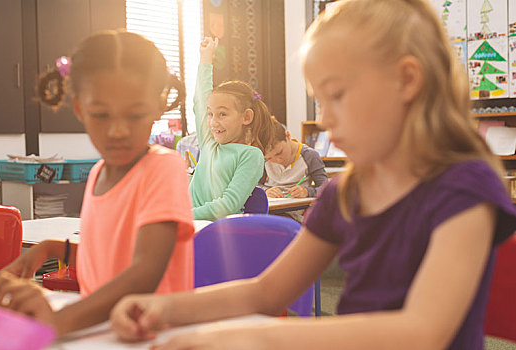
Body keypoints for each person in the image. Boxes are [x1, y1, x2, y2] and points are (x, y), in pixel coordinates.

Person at [109, 1, 516, 349]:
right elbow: (265, 291)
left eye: (336, 95)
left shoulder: (465, 186)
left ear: (407, 80)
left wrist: (257, 338)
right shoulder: (347, 193)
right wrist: (166, 307)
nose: (323, 120)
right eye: (319, 100)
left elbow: (421, 331)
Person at [0, 30, 194, 337]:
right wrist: (52, 248)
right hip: (105, 333)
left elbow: (143, 274)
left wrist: (60, 320)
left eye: (135, 115)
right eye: (101, 115)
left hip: (155, 337)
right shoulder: (97, 173)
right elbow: (109, 259)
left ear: (159, 107)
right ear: (80, 109)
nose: (118, 130)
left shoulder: (163, 168)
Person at [190, 37, 275, 220]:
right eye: (210, 114)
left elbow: (227, 206)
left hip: (220, 232)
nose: (212, 122)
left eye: (222, 114)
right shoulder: (209, 143)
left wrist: (184, 215)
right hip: (190, 226)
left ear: (246, 117)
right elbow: (200, 98)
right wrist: (206, 57)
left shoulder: (250, 155)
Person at [260, 119, 328, 221]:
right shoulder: (263, 159)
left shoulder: (309, 156)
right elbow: (253, 186)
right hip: (270, 211)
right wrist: (265, 191)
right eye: (269, 158)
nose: (277, 160)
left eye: (279, 153)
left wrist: (307, 192)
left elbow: (325, 189)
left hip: (298, 214)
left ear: (288, 136)